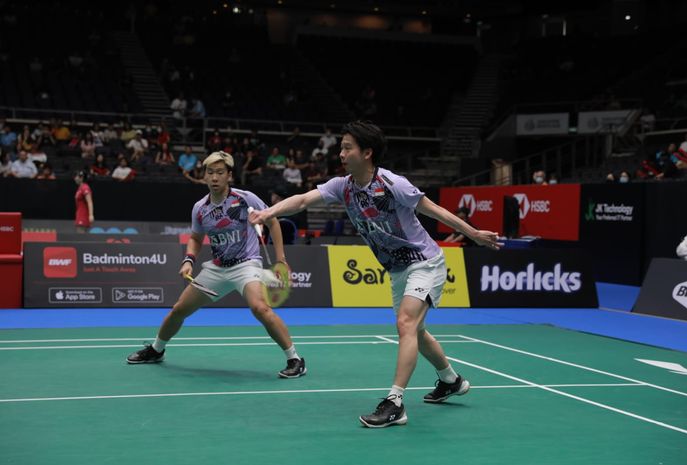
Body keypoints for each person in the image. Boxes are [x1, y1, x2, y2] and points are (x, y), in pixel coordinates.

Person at [249, 121, 500, 428]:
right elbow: (302, 200)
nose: (340, 153)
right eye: (341, 147)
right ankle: (450, 380)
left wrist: (472, 233)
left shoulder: (392, 183)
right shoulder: (343, 186)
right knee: (416, 333)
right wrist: (268, 213)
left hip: (425, 261)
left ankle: (395, 403)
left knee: (406, 323)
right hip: (396, 269)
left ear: (367, 153)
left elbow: (433, 210)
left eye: (347, 147)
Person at [126, 151, 306, 378]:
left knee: (260, 307)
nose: (214, 177)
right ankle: (156, 349)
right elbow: (195, 238)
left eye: (220, 173)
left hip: (246, 264)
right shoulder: (200, 208)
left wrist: (281, 260)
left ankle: (295, 359)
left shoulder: (245, 198)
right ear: (204, 176)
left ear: (229, 175)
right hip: (218, 267)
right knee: (178, 310)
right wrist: (188, 260)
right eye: (210, 172)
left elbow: (272, 221)